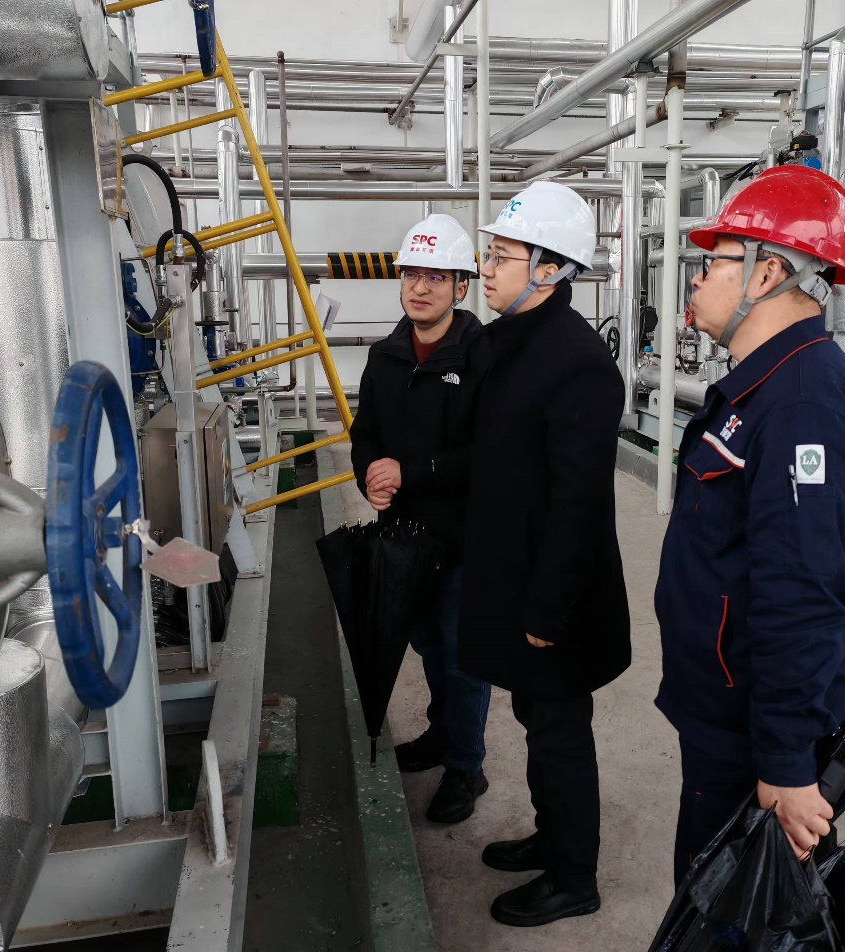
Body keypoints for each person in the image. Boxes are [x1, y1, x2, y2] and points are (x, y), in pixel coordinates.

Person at [653, 166, 845, 885]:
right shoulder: (764, 387)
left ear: (766, 273)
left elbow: (805, 594)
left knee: (727, 906)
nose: (697, 280)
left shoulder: (801, 407)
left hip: (751, 729)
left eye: (714, 262)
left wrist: (785, 761)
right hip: (726, 709)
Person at [459, 181, 630, 927]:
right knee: (535, 717)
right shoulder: (508, 342)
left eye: (502, 256)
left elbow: (577, 504)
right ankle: (550, 835)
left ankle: (572, 876)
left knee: (559, 732)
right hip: (516, 576)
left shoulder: (577, 362)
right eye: (491, 253)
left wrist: (547, 612)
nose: (486, 268)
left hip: (556, 597)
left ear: (550, 268)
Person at [348, 213, 494, 824]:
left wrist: (410, 472)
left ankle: (466, 766)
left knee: (462, 657)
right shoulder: (385, 356)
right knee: (428, 643)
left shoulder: (484, 356)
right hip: (406, 537)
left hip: (464, 539)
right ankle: (441, 734)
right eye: (412, 274)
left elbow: (490, 451)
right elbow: (364, 435)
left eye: (437, 277)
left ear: (461, 286)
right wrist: (370, 476)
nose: (420, 287)